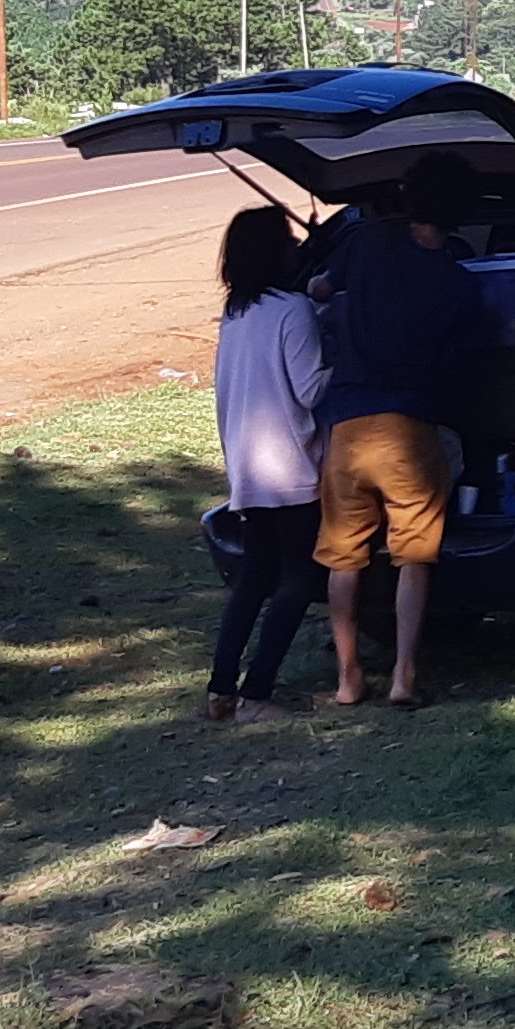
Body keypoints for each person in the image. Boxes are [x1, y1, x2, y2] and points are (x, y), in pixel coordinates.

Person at [310, 147, 491, 709]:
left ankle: (347, 678)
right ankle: (404, 675)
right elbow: (465, 364)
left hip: (347, 428)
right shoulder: (460, 285)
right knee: (413, 555)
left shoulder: (367, 242)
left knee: (343, 557)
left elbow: (319, 290)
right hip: (410, 428)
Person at [204, 205, 327, 717]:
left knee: (255, 577)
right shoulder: (293, 310)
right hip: (292, 467)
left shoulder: (236, 314)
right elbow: (311, 388)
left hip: (248, 467)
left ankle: (220, 687)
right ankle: (257, 694)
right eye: (289, 241)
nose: (295, 248)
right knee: (299, 580)